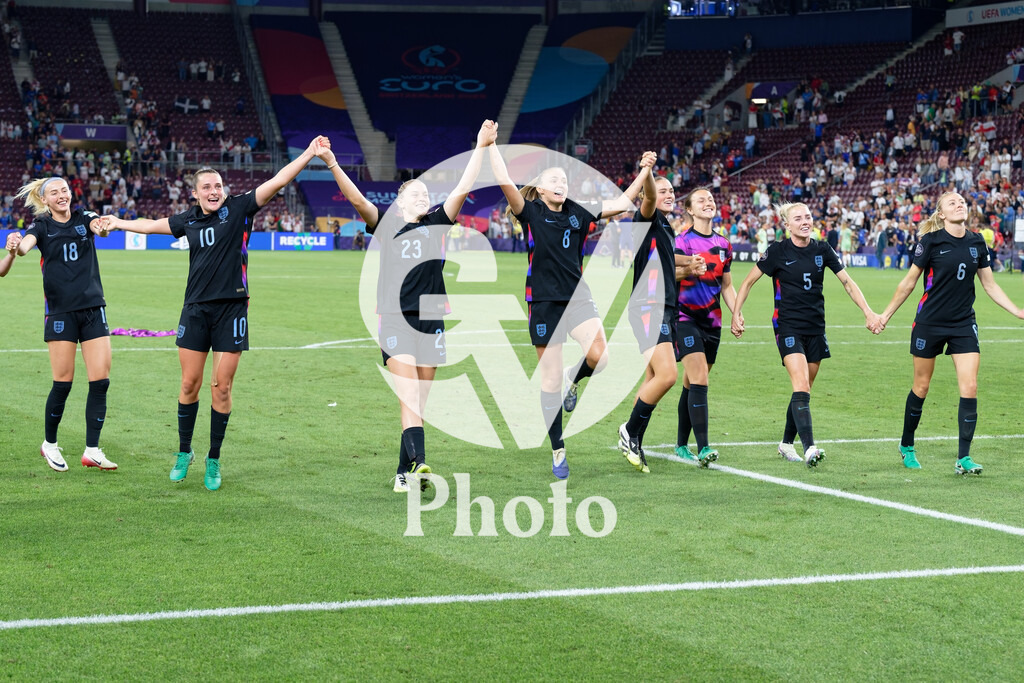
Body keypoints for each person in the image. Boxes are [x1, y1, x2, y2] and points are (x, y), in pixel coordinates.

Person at [102, 137, 323, 491]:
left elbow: (279, 180)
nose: (213, 190)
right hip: (195, 311)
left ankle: (214, 458)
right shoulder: (187, 219)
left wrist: (309, 154)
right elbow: (151, 224)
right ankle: (184, 451)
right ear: (195, 193)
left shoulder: (238, 209)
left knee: (221, 386)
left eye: (218, 185)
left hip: (232, 309)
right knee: (190, 383)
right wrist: (118, 222)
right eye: (206, 186)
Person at [318, 122, 495, 492]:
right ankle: (419, 464)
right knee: (409, 395)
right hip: (396, 319)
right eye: (414, 192)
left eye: (425, 192)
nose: (421, 196)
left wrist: (479, 146)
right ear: (398, 202)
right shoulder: (387, 225)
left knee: (420, 402)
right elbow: (356, 201)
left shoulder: (438, 222)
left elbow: (463, 186)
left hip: (432, 318)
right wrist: (334, 163)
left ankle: (403, 471)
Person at [490, 145, 648, 480]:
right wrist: (489, 146)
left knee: (600, 357)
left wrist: (644, 170)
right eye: (553, 180)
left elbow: (622, 203)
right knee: (548, 380)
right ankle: (558, 448)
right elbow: (503, 179)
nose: (560, 182)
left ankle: (573, 381)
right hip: (543, 303)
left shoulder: (579, 211)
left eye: (564, 179)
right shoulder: (530, 211)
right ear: (542, 189)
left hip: (577, 297)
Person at [874, 192, 1024, 474]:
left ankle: (963, 459)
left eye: (962, 202)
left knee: (970, 387)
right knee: (921, 386)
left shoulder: (977, 242)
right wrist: (885, 315)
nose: (959, 204)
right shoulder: (930, 242)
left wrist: (1016, 310)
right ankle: (907, 445)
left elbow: (989, 285)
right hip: (929, 322)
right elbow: (908, 284)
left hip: (963, 324)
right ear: (941, 214)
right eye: (952, 202)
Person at [732, 202, 880, 466]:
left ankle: (786, 443)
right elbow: (747, 282)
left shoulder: (822, 249)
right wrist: (736, 313)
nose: (805, 221)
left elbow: (847, 281)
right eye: (798, 218)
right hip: (787, 326)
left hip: (816, 328)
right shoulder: (778, 251)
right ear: (787, 225)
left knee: (804, 389)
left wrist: (868, 312)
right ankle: (810, 447)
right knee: (800, 385)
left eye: (808, 217)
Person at [11, 177, 118, 472]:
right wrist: (18, 245)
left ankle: (93, 450)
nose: (62, 195)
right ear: (44, 199)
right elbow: (25, 248)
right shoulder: (41, 226)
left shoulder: (84, 217)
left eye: (65, 191)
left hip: (94, 309)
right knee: (63, 383)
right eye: (55, 192)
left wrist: (102, 226)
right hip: (60, 313)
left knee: (101, 381)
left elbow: (100, 226)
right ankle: (50, 444)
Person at [620, 158, 705, 473]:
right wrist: (648, 171)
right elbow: (651, 197)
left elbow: (669, 267)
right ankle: (629, 431)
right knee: (668, 376)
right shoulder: (648, 216)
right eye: (663, 189)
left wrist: (690, 266)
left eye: (672, 191)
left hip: (664, 308)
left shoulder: (665, 229)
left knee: (653, 379)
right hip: (648, 306)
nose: (668, 194)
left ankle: (635, 443)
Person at [672, 188, 734, 467]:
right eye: (701, 200)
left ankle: (680, 444)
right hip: (685, 318)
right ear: (690, 210)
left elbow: (727, 285)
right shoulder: (682, 241)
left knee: (691, 383)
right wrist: (687, 269)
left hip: (713, 322)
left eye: (710, 199)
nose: (708, 202)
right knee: (699, 379)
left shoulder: (723, 243)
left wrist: (737, 313)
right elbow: (669, 272)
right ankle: (704, 447)